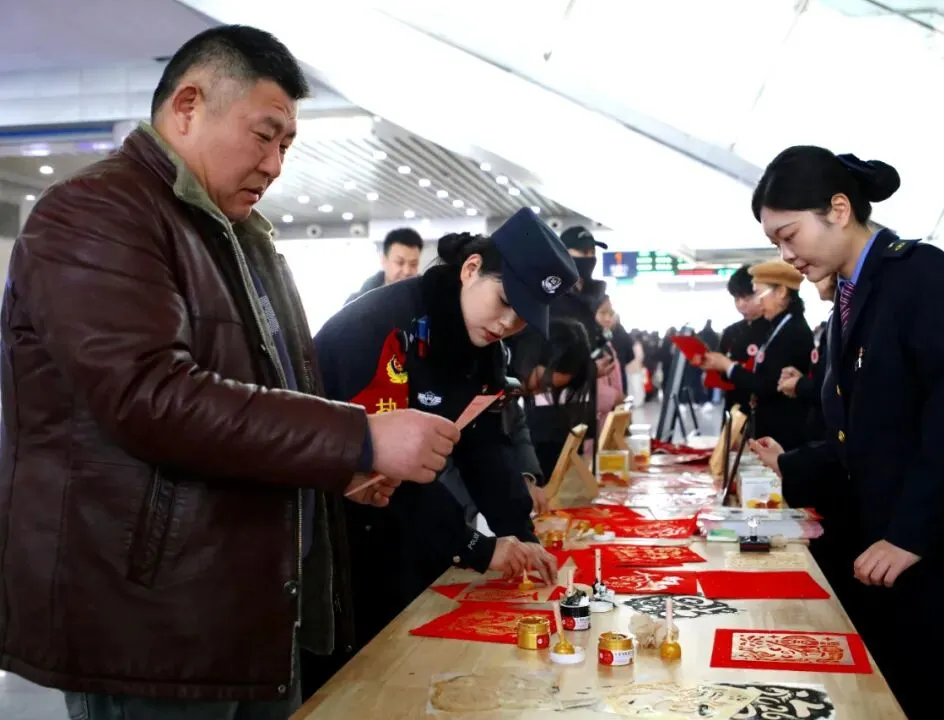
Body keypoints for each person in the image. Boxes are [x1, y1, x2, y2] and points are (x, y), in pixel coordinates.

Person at [0, 25, 457, 720]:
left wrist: (332, 468)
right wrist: (358, 437)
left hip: (243, 607)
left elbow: (256, 399)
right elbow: (151, 397)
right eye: (263, 135)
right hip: (151, 623)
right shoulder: (96, 212)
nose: (275, 165)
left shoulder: (232, 233)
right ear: (188, 106)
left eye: (286, 146)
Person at [747, 145, 944, 720]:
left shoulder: (921, 275)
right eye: (775, 243)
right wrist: (794, 467)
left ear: (839, 209)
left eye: (789, 235)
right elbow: (861, 435)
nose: (786, 255)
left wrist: (911, 535)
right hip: (889, 544)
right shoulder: (848, 300)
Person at [305, 208, 577, 695]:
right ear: (471, 269)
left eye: (523, 317)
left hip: (404, 526)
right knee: (359, 687)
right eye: (505, 302)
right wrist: (477, 547)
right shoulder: (383, 329)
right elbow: (389, 477)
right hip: (338, 538)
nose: (508, 323)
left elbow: (483, 442)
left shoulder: (483, 343)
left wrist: (519, 533)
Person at [695, 261, 814, 451]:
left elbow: (768, 384)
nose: (758, 302)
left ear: (781, 292)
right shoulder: (778, 327)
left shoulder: (792, 331)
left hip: (782, 433)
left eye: (758, 294)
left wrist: (728, 366)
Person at [524, 226, 611, 477]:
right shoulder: (549, 296)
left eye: (592, 252)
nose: (589, 258)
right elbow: (545, 355)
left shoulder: (590, 297)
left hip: (579, 407)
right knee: (549, 482)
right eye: (582, 252)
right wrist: (588, 368)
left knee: (574, 484)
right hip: (547, 412)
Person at [507, 318, 595, 515]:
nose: (537, 392)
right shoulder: (490, 371)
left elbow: (517, 426)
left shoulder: (512, 393)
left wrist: (529, 478)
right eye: (542, 384)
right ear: (528, 356)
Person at [779, 274, 836, 440]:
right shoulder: (835, 317)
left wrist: (801, 385)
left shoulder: (796, 328)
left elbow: (839, 388)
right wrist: (802, 380)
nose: (813, 280)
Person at [711, 264, 772, 413]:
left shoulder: (774, 330)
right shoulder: (731, 332)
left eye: (747, 298)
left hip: (762, 410)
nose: (741, 305)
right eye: (736, 299)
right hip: (732, 408)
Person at [345, 226, 424, 303]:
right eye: (400, 262)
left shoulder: (426, 300)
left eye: (413, 264)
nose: (407, 271)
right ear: (384, 261)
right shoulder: (356, 302)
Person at [594, 294, 627, 435]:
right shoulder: (587, 344)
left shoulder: (606, 344)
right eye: (602, 313)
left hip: (609, 419)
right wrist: (615, 397)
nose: (608, 318)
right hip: (595, 422)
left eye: (611, 314)